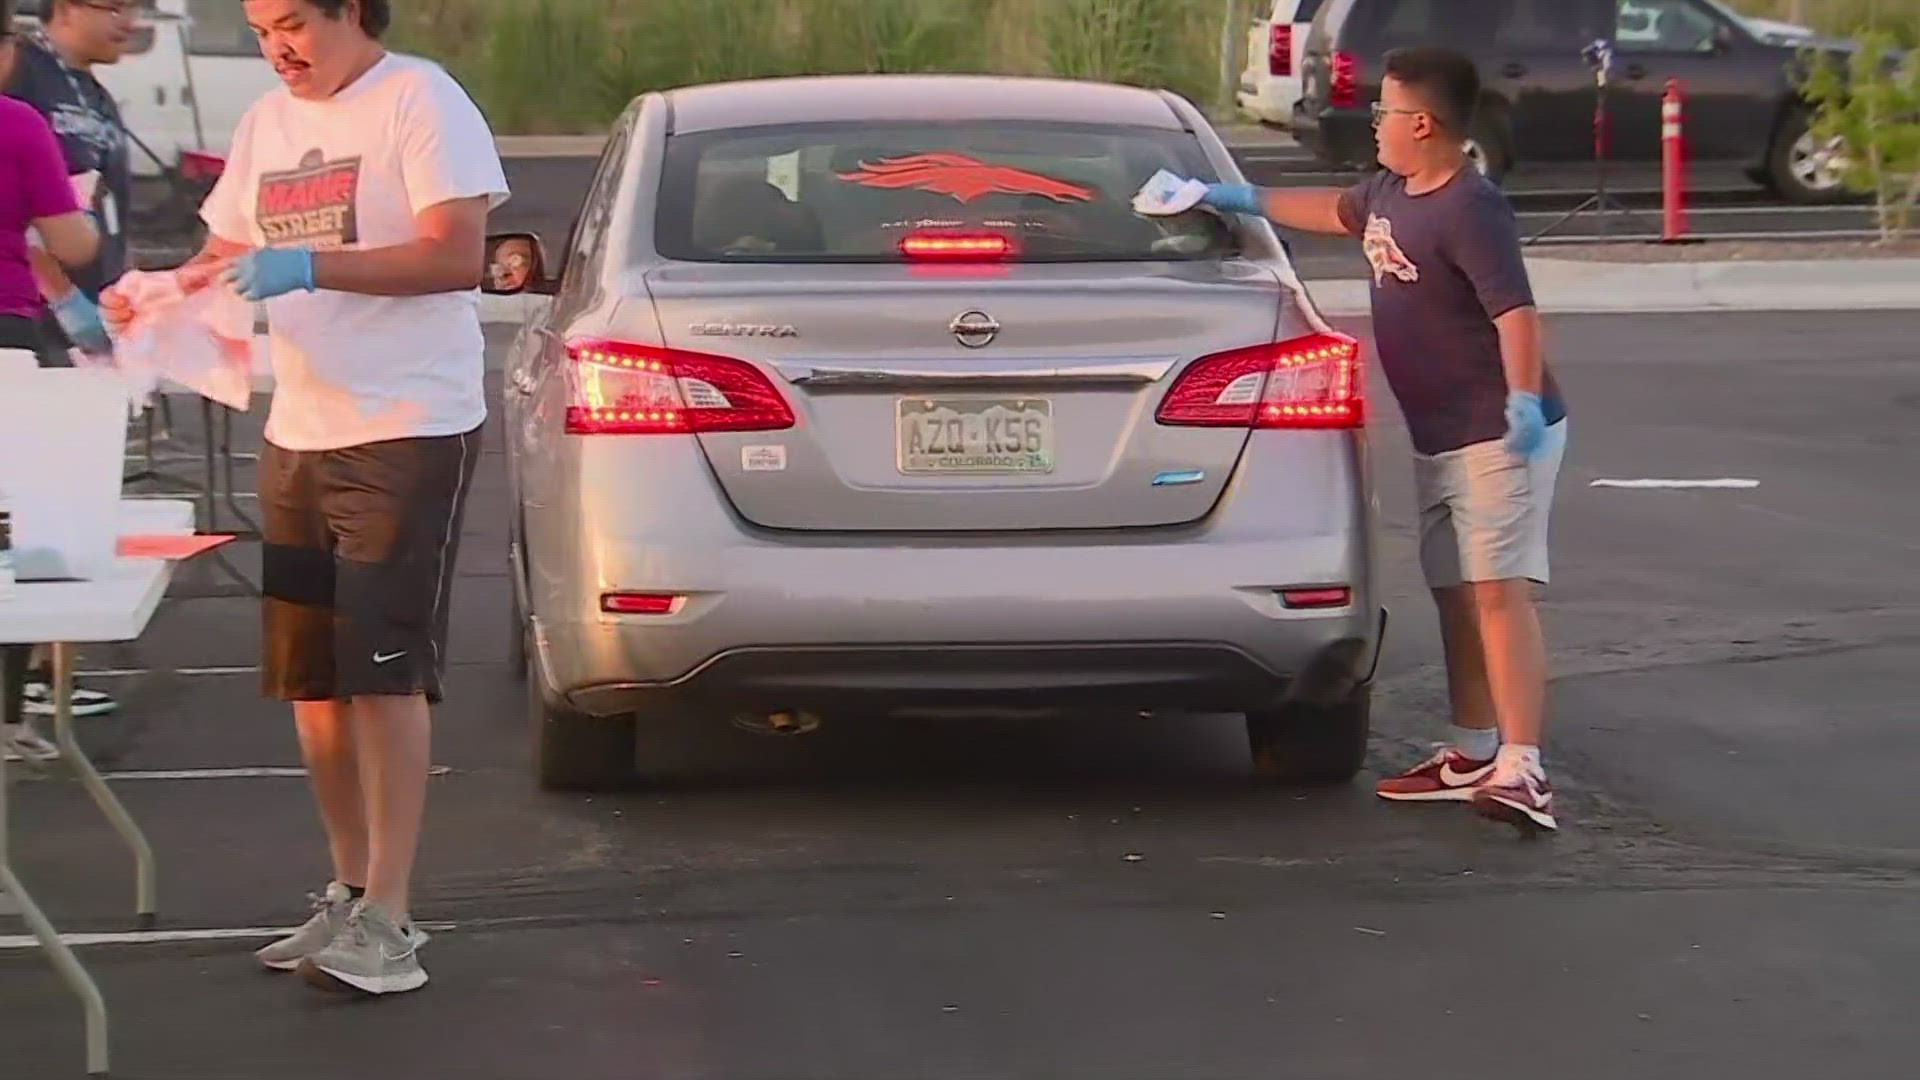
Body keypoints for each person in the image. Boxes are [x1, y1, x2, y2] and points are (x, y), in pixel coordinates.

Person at [101, 0, 508, 993]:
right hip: (298, 432)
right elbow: (223, 260)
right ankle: (349, 890)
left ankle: (396, 919)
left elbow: (457, 255)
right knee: (313, 687)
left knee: (382, 672)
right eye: (258, 29)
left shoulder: (419, 99)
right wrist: (157, 290)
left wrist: (310, 262)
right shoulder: (267, 124)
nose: (276, 46)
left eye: (292, 23)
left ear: (349, 11)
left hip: (406, 424)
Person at [1192, 46, 1569, 833]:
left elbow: (1516, 314)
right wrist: (1234, 197)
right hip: (1441, 435)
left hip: (1498, 433)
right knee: (1455, 592)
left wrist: (1524, 404)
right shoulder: (1392, 193)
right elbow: (1333, 209)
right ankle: (1471, 752)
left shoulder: (1472, 207)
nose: (1375, 127)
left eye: (1384, 114)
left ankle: (1524, 767)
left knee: (1498, 593)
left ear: (1422, 123)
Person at [5, 0, 137, 723]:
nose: (128, 21)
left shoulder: (94, 92)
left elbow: (104, 207)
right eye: (113, 6)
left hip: (87, 303)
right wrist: (62, 294)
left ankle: (50, 668)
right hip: (37, 310)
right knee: (30, 495)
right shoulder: (27, 78)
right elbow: (35, 214)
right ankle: (24, 677)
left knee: (61, 489)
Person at [1, 0, 103, 764]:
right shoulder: (18, 125)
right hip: (8, 331)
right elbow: (70, 240)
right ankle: (8, 714)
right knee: (17, 529)